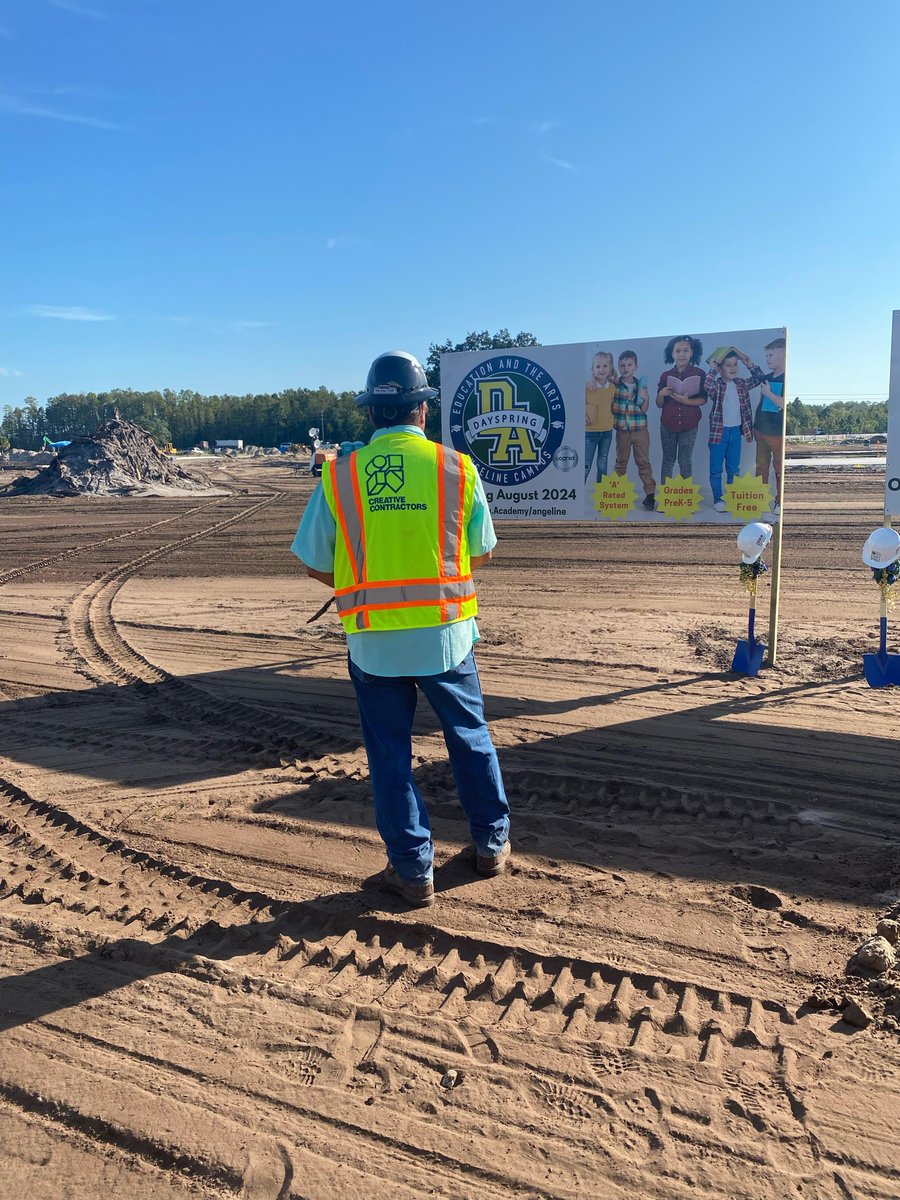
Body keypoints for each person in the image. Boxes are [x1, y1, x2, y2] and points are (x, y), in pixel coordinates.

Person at [291, 351, 510, 908]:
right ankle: (491, 844)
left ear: (371, 412)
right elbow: (481, 552)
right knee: (469, 738)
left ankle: (413, 871)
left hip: (374, 643)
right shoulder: (457, 468)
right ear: (422, 410)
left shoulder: (340, 474)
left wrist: (363, 581)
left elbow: (315, 561)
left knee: (389, 754)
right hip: (445, 635)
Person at [704, 348, 766, 512]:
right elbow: (707, 386)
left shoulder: (741, 384)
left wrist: (750, 365)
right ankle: (718, 499)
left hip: (735, 433)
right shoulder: (717, 386)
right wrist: (712, 369)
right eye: (728, 365)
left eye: (735, 364)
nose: (733, 368)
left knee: (733, 469)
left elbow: (760, 379)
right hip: (719, 434)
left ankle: (731, 497)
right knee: (716, 469)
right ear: (720, 369)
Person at [655, 336, 707, 483]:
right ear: (672, 354)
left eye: (686, 350)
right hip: (668, 425)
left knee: (685, 461)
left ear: (692, 352)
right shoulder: (665, 376)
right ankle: (665, 493)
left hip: (689, 425)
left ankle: (686, 494)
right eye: (678, 351)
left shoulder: (699, 373)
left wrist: (687, 401)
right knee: (668, 460)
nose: (681, 354)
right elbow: (659, 404)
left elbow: (703, 399)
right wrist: (661, 394)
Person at [612, 350, 657, 509]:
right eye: (622, 365)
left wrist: (645, 397)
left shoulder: (641, 385)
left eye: (629, 364)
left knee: (643, 462)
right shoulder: (614, 385)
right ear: (618, 367)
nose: (625, 368)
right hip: (622, 431)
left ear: (635, 366)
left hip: (640, 430)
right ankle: (616, 493)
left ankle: (650, 495)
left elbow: (644, 409)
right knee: (621, 462)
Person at [753, 337, 786, 516]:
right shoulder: (766, 378)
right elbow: (760, 400)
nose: (767, 359)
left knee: (779, 468)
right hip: (760, 430)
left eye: (771, 355)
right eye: (766, 355)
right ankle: (761, 500)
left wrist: (768, 393)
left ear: (783, 355)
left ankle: (779, 501)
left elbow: (783, 403)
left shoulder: (787, 378)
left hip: (776, 433)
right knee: (761, 466)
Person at [584, 351, 616, 485]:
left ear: (610, 368)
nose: (601, 369)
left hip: (607, 432)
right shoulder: (587, 387)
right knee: (586, 465)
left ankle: (601, 492)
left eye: (605, 366)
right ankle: (579, 491)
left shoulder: (612, 388)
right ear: (592, 369)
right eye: (598, 366)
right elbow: (576, 404)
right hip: (590, 432)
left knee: (602, 464)